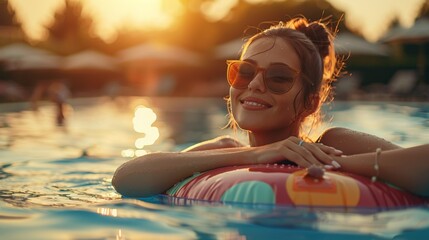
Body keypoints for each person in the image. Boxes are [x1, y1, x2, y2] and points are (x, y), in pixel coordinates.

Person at [112, 17, 429, 198]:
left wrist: (338, 166)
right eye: (244, 71)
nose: (254, 85)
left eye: (278, 78)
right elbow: (126, 179)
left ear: (310, 102)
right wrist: (255, 155)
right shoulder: (223, 149)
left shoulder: (333, 144)